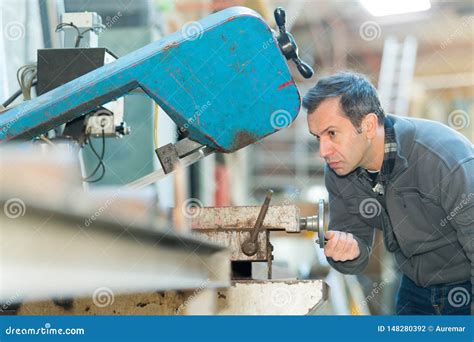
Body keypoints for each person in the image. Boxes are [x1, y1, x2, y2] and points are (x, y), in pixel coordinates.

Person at [303, 71, 473, 315]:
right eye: (317, 137)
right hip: (414, 288)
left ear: (369, 125)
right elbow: (355, 253)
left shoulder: (443, 158)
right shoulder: (340, 170)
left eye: (332, 133)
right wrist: (349, 251)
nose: (323, 151)